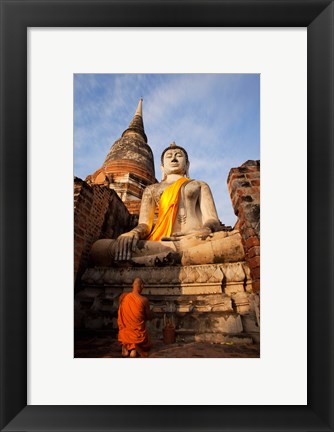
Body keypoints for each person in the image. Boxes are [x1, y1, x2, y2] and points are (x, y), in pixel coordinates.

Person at [91, 142, 244, 266]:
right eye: (169, 156)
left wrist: (204, 230)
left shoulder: (199, 184)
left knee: (237, 242)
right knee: (100, 248)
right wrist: (133, 233)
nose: (174, 159)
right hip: (161, 242)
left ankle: (151, 261)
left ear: (187, 164)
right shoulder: (152, 189)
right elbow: (145, 225)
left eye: (179, 156)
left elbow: (212, 220)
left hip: (197, 240)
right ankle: (174, 256)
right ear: (162, 168)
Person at [118, 277, 152, 358]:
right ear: (142, 286)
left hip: (125, 334)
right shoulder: (144, 300)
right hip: (138, 335)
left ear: (132, 285)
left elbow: (121, 315)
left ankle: (127, 346)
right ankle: (134, 349)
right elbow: (149, 317)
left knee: (126, 332)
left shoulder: (124, 297)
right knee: (148, 343)